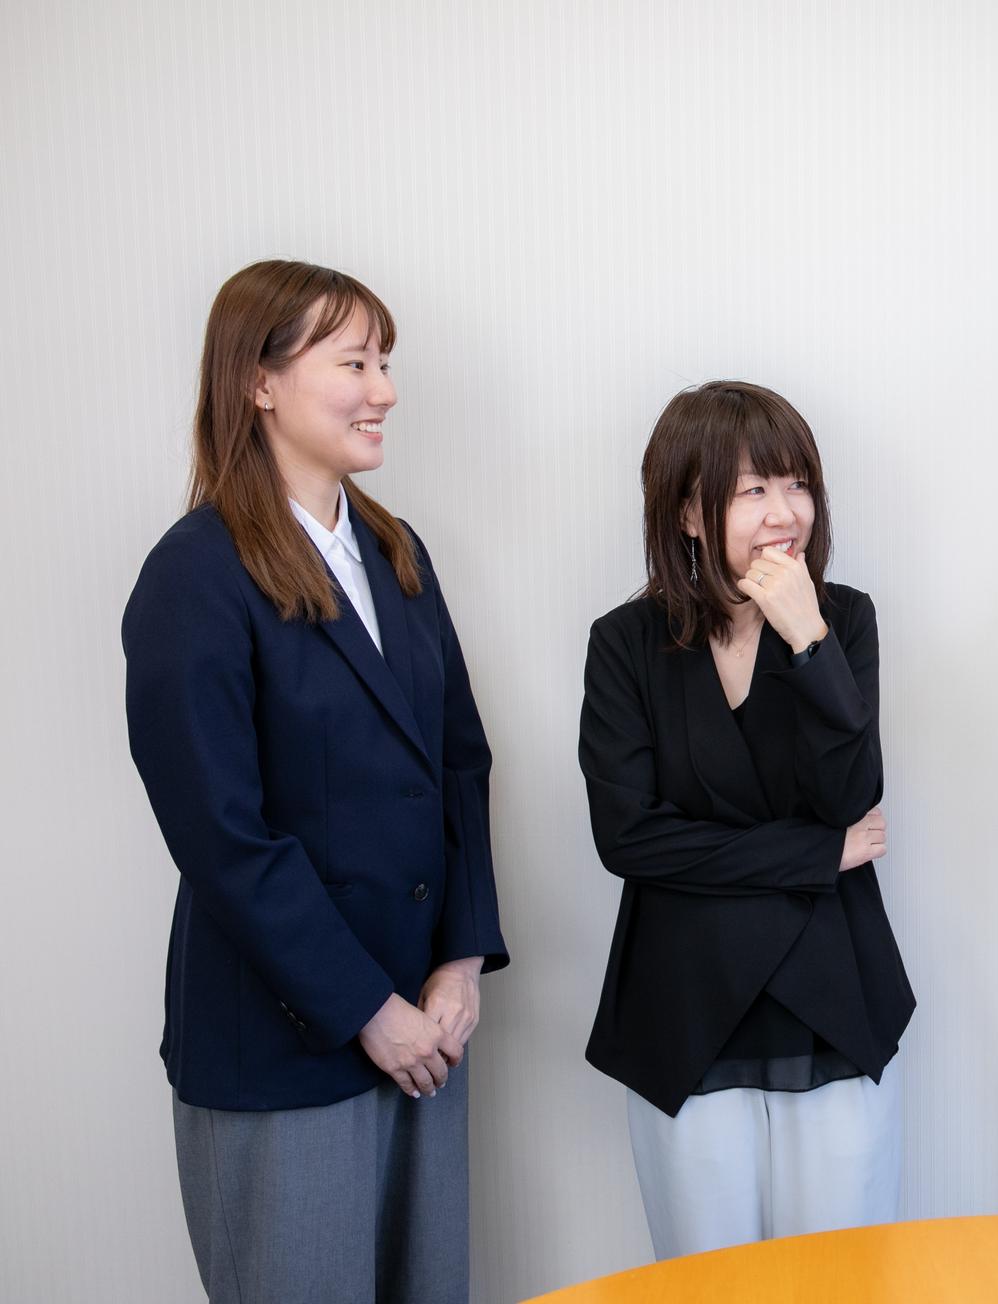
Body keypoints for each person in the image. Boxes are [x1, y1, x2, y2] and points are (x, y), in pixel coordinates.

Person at [122, 260, 507, 1304]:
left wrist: (460, 964)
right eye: (355, 363)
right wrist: (367, 1009)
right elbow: (223, 836)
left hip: (425, 1029)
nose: (384, 390)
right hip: (287, 1041)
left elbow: (459, 765)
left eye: (385, 363)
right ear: (258, 381)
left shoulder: (395, 549)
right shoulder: (194, 574)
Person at [579, 380, 911, 1259]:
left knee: (839, 1277)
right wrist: (817, 855)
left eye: (797, 485)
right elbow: (629, 838)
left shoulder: (844, 620)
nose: (784, 512)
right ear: (690, 511)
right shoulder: (625, 643)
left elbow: (852, 795)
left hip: (831, 992)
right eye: (753, 489)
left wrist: (808, 640)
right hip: (685, 1001)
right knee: (704, 1278)